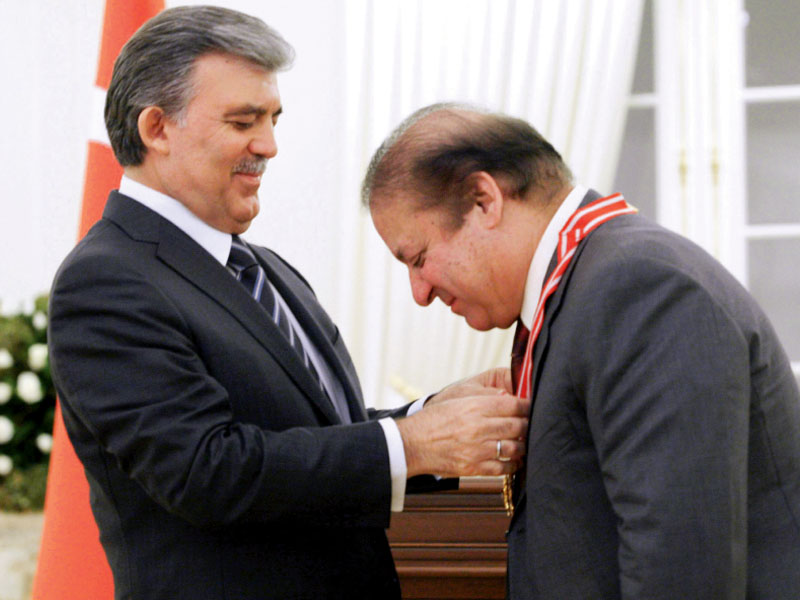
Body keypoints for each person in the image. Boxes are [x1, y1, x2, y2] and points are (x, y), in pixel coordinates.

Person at [48, 10, 530, 600]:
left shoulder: (267, 268)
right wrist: (415, 442)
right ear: (156, 129)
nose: (269, 146)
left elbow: (323, 438)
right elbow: (208, 472)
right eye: (243, 121)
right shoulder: (105, 281)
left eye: (273, 120)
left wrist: (436, 418)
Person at [362, 102, 800, 599]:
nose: (419, 293)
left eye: (418, 259)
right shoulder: (586, 288)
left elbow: (680, 572)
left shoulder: (640, 288)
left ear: (484, 200)